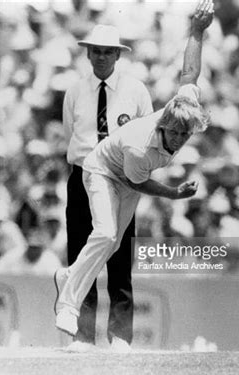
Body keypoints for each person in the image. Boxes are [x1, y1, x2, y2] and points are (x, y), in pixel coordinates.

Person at [54, 0, 214, 344]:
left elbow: (190, 71)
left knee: (113, 250)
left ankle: (110, 328)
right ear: (165, 125)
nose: (180, 139)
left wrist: (197, 31)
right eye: (176, 134)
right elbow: (132, 177)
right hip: (101, 170)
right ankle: (69, 304)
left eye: (186, 135)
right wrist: (173, 194)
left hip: (128, 177)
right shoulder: (142, 147)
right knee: (106, 233)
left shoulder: (182, 105)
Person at [61, 24, 153, 352]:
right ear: (87, 53)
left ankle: (120, 335)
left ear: (117, 54)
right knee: (82, 251)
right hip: (83, 173)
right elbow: (71, 130)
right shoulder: (75, 90)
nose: (101, 57)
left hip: (119, 177)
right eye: (96, 51)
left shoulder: (135, 90)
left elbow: (146, 134)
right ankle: (84, 334)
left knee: (118, 252)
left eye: (107, 52)